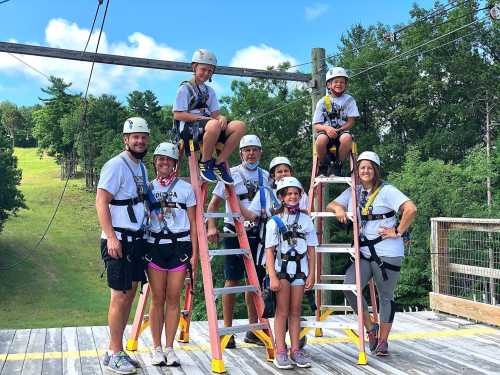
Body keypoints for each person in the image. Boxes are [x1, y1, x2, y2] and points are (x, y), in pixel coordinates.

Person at [327, 151, 417, 356]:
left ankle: (383, 340)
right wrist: (339, 210)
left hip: (387, 252)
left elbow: (410, 209)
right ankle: (371, 329)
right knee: (350, 288)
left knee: (385, 297)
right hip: (364, 251)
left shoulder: (387, 191)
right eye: (362, 168)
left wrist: (398, 231)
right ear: (357, 171)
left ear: (375, 170)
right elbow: (332, 204)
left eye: (369, 167)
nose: (365, 171)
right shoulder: (355, 191)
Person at [96, 117, 151, 374]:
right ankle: (115, 351)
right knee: (119, 296)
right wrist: (111, 237)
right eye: (134, 137)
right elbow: (101, 202)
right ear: (125, 139)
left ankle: (114, 350)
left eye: (143, 136)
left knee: (129, 293)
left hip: (135, 239)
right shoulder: (116, 166)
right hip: (118, 240)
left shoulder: (140, 167)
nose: (139, 141)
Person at [206, 134, 270, 348]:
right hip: (234, 231)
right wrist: (212, 226)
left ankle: (254, 329)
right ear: (241, 153)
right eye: (247, 150)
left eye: (255, 149)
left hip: (258, 233)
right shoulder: (231, 173)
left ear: (260, 152)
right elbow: (213, 204)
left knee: (255, 283)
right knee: (232, 280)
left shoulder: (265, 176)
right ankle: (227, 330)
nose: (251, 153)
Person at [144, 142, 198, 367]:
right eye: (160, 159)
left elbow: (194, 223)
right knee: (157, 298)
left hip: (179, 247)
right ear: (155, 162)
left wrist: (194, 253)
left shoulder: (186, 189)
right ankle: (156, 348)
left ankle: (169, 348)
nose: (163, 163)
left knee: (174, 298)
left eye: (168, 160)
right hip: (155, 246)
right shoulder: (148, 188)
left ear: (175, 163)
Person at [265, 177, 317, 369]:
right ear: (281, 197)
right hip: (282, 271)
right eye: (289, 194)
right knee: (282, 311)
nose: (293, 197)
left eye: (296, 193)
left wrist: (312, 274)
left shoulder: (305, 220)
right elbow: (269, 251)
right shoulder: (275, 222)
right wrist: (272, 276)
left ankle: (295, 349)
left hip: (300, 271)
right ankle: (280, 350)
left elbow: (311, 249)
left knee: (296, 311)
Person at [173, 48, 245, 184]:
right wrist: (203, 119)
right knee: (213, 124)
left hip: (210, 127)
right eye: (203, 69)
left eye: (210, 71)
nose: (206, 73)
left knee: (239, 126)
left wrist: (221, 118)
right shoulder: (185, 89)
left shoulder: (209, 91)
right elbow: (177, 114)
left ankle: (219, 162)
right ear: (194, 67)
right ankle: (205, 162)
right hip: (190, 129)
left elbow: (215, 115)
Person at [312, 67, 359, 177]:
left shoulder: (349, 100)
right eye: (336, 81)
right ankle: (324, 164)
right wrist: (327, 129)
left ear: (346, 84)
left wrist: (339, 130)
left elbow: (351, 121)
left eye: (342, 82)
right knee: (320, 139)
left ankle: (338, 165)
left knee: (347, 138)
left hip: (342, 131)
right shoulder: (323, 101)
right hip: (326, 133)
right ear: (329, 84)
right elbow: (316, 125)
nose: (339, 84)